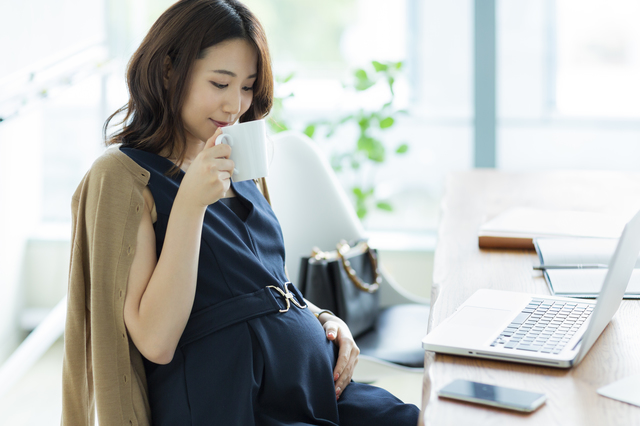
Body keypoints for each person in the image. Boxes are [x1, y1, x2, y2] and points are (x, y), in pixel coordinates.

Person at [61, 0, 420, 424]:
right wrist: (190, 205)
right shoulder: (124, 176)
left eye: (247, 87)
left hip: (309, 383)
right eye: (220, 83)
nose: (235, 106)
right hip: (233, 402)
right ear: (167, 72)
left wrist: (320, 316)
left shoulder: (236, 156)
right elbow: (155, 340)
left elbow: (263, 276)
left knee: (415, 416)